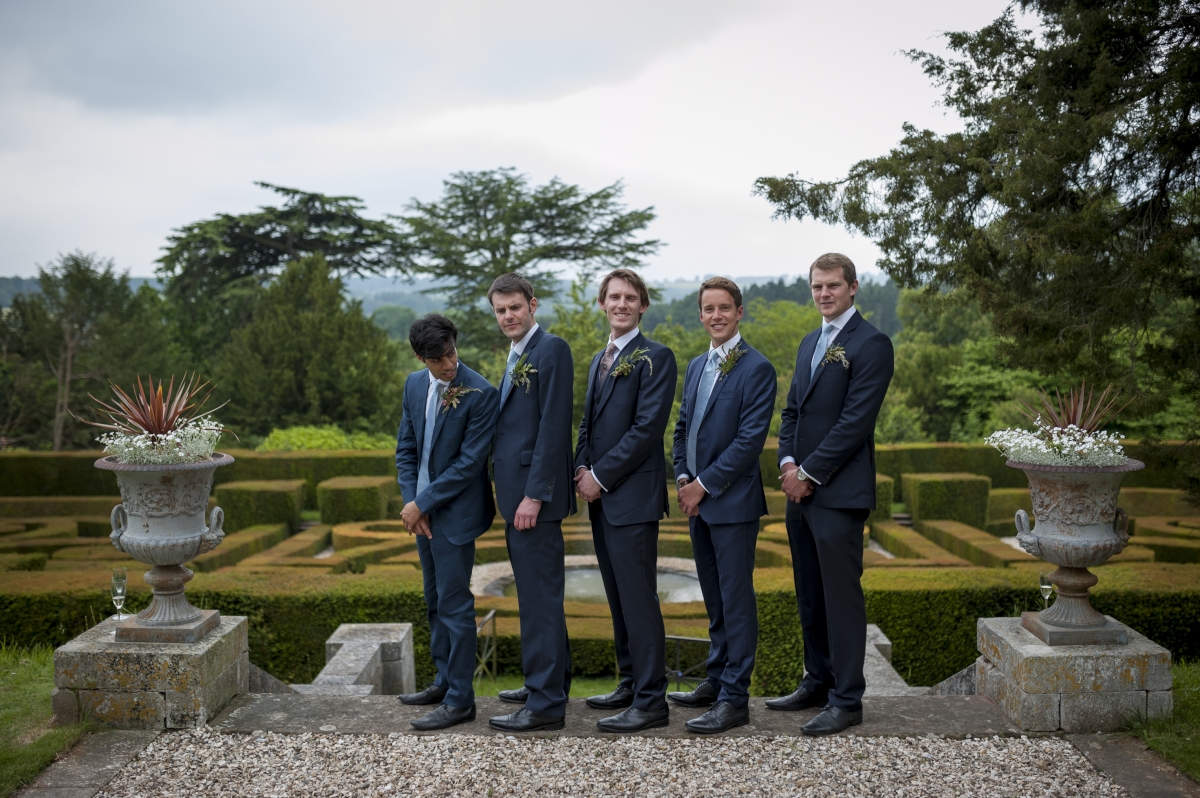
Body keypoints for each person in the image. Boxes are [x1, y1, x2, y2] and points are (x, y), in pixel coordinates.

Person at [766, 253, 894, 736]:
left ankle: (846, 699)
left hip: (839, 493)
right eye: (817, 286)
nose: (824, 294)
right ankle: (817, 681)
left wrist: (810, 472)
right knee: (810, 594)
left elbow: (855, 422)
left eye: (833, 286)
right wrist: (787, 463)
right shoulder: (808, 342)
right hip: (799, 491)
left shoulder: (872, 343)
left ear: (853, 287)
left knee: (841, 598)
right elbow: (792, 412)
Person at [669, 276, 776, 734]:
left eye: (724, 308)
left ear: (739, 312)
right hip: (697, 501)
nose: (717, 316)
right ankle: (716, 679)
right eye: (709, 309)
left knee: (736, 601)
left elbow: (749, 441)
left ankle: (735, 698)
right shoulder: (696, 365)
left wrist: (703, 486)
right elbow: (682, 429)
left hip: (732, 504)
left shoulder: (757, 368)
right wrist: (682, 477)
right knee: (714, 599)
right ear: (700, 315)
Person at [574, 268, 677, 733]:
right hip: (601, 499)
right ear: (602, 304)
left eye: (630, 298)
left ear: (643, 306)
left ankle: (652, 701)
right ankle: (630, 682)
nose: (621, 304)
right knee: (617, 596)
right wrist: (581, 467)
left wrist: (599, 475)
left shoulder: (657, 357)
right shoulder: (600, 357)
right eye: (614, 297)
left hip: (632, 498)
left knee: (638, 599)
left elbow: (646, 430)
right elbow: (588, 424)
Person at [394, 314, 500, 731]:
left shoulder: (481, 392)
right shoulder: (413, 384)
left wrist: (422, 503)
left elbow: (469, 465)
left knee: (455, 606)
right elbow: (406, 450)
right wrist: (413, 503)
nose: (449, 364)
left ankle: (460, 701)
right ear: (420, 358)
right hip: (422, 513)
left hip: (455, 515)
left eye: (452, 353)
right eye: (438, 359)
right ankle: (443, 682)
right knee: (434, 600)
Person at [484, 273, 576, 733]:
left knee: (539, 601)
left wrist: (534, 494)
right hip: (517, 497)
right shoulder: (518, 353)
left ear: (532, 305)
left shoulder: (551, 349)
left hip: (531, 500)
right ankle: (549, 682)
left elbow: (553, 427)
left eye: (515, 307)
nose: (508, 316)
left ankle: (544, 706)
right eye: (500, 310)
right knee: (537, 597)